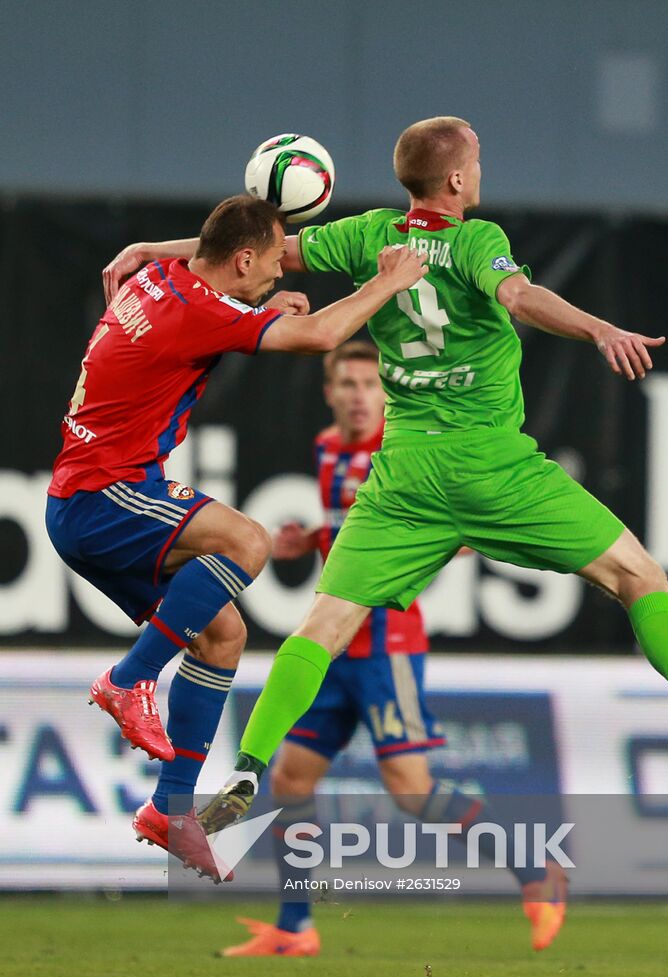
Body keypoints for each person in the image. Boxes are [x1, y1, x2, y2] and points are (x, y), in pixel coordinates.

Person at [105, 118, 668, 858]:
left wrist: (159, 248)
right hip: (490, 465)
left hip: (405, 472)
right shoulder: (476, 240)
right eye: (475, 161)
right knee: (637, 574)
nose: (480, 171)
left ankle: (247, 769)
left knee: (324, 624)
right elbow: (520, 296)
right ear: (456, 182)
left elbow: (254, 254)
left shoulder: (366, 235)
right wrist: (599, 329)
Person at [47, 195, 427, 878]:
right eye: (273, 261)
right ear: (244, 258)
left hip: (85, 496)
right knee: (246, 542)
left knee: (223, 634)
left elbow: (212, 280)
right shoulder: (197, 306)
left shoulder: (161, 282)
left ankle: (170, 809)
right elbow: (315, 338)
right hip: (106, 494)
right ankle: (127, 679)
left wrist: (163, 256)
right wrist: (387, 282)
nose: (280, 272)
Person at [220, 340, 566, 956]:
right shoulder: (328, 448)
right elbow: (360, 532)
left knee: (411, 791)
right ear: (329, 391)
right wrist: (316, 539)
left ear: (388, 392)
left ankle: (535, 866)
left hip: (386, 642)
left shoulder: (404, 448)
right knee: (293, 779)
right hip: (332, 647)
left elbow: (459, 526)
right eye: (347, 384)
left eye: (369, 385)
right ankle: (295, 926)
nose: (359, 397)